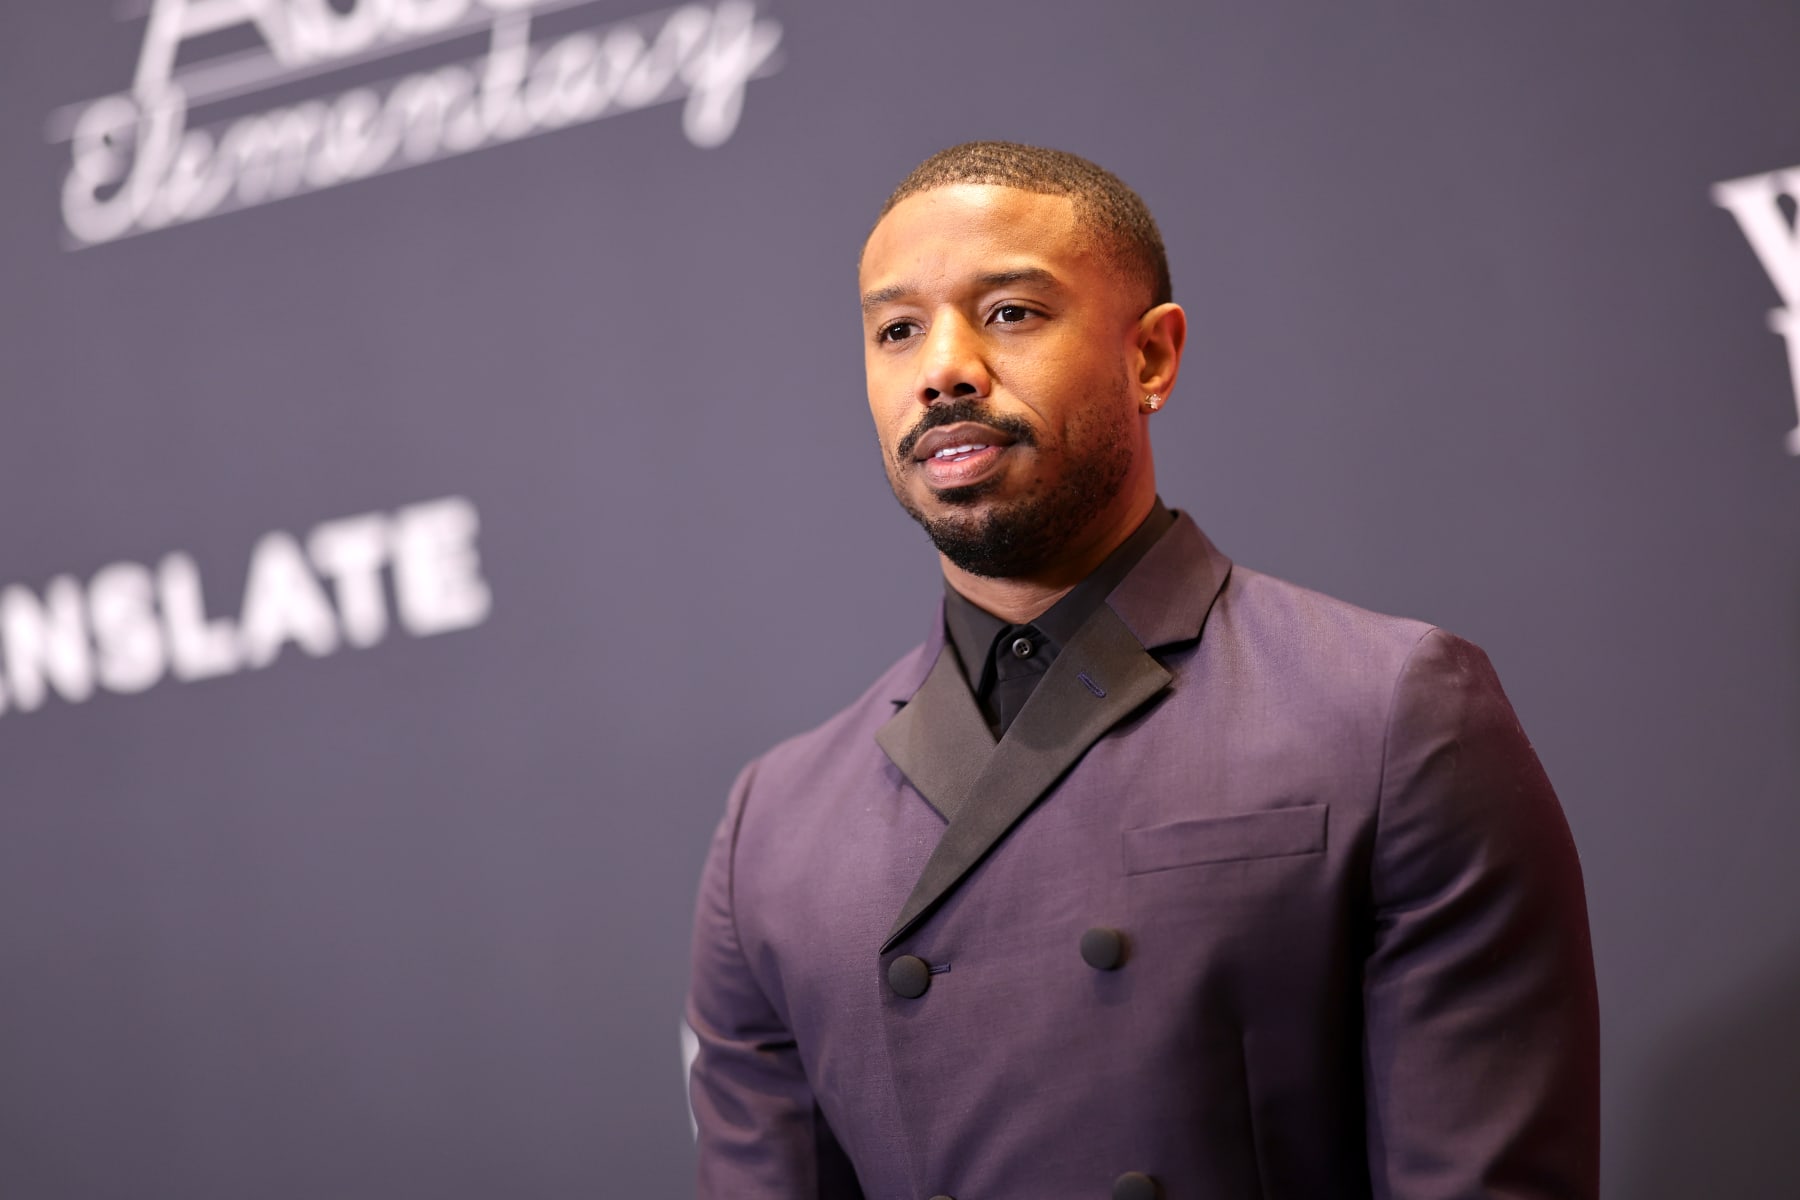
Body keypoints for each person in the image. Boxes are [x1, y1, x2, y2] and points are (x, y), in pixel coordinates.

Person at [685, 141, 1599, 1200]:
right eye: (897, 331)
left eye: (1011, 313)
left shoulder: (1391, 710)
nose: (943, 368)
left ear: (1152, 358)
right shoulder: (776, 826)